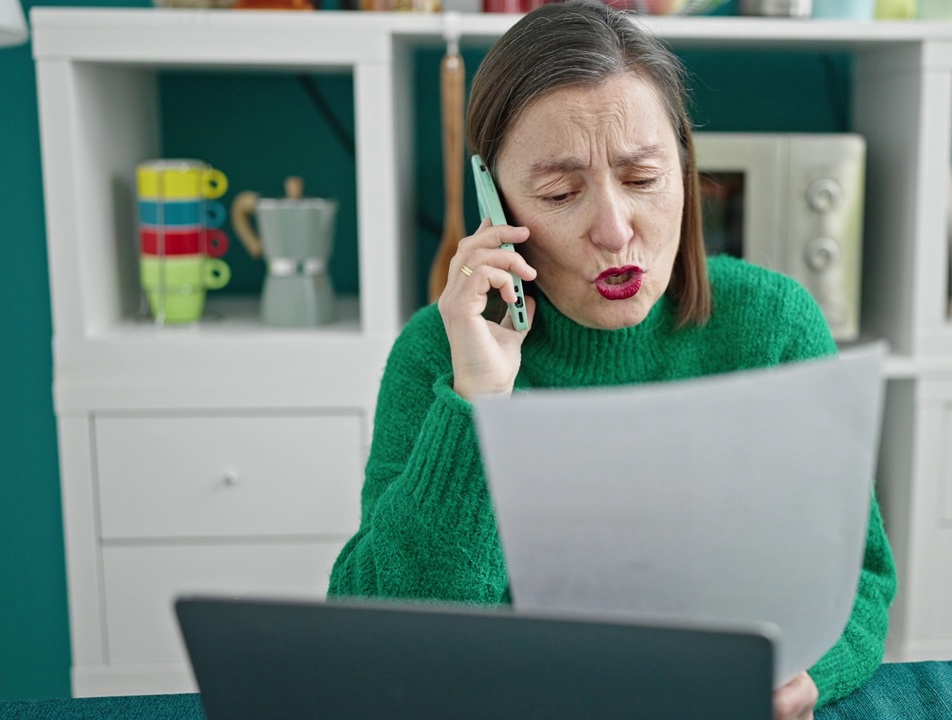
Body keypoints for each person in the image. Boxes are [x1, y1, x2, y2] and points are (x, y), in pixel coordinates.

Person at [327, 1, 896, 717]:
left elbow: (863, 577)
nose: (614, 227)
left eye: (643, 178)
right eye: (560, 193)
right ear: (492, 199)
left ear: (686, 172)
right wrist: (476, 402)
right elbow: (380, 636)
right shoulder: (436, 354)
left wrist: (812, 676)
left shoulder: (776, 326)